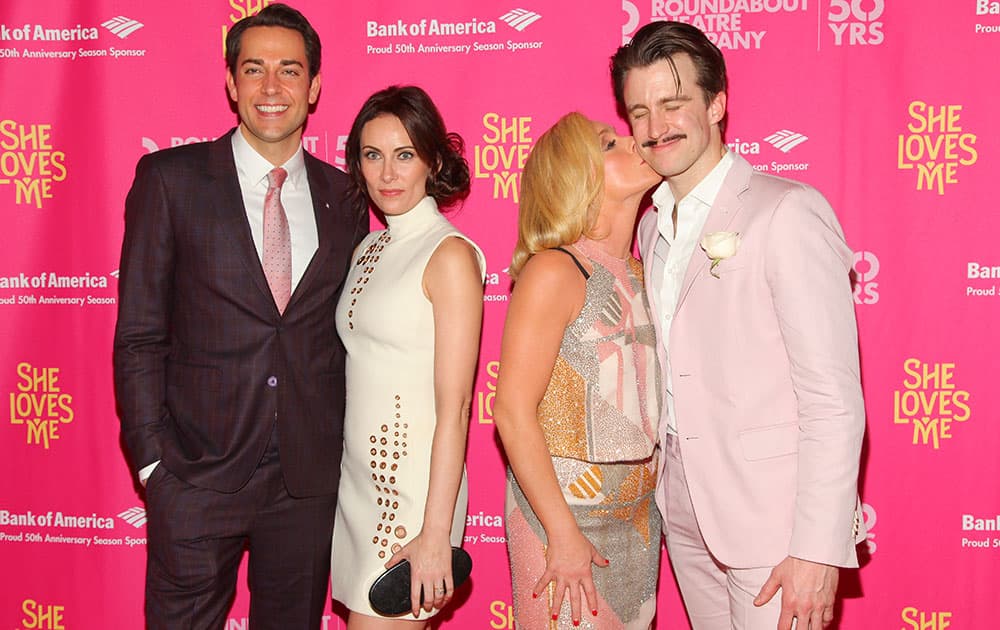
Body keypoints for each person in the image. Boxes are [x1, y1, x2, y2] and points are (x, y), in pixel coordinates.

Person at [112, 5, 367, 628]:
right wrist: (153, 464)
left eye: (289, 70)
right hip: (195, 474)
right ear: (230, 83)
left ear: (314, 87)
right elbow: (140, 335)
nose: (271, 87)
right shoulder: (171, 181)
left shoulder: (346, 199)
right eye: (254, 69)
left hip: (307, 482)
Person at [611, 21, 867, 630]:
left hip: (775, 525)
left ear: (717, 103)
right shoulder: (650, 227)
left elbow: (832, 396)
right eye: (639, 112)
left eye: (674, 105)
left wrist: (816, 547)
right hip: (684, 509)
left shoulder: (787, 211)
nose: (655, 128)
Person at [494, 112, 663, 629]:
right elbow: (511, 410)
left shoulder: (643, 271)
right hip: (564, 516)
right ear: (579, 177)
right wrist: (561, 530)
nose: (635, 140)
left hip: (638, 520)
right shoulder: (554, 270)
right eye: (609, 143)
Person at [330, 85, 485, 627]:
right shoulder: (366, 249)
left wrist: (436, 533)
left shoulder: (450, 255)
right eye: (373, 156)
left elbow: (457, 406)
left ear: (433, 161)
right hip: (356, 490)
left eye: (404, 155)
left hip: (412, 500)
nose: (388, 174)